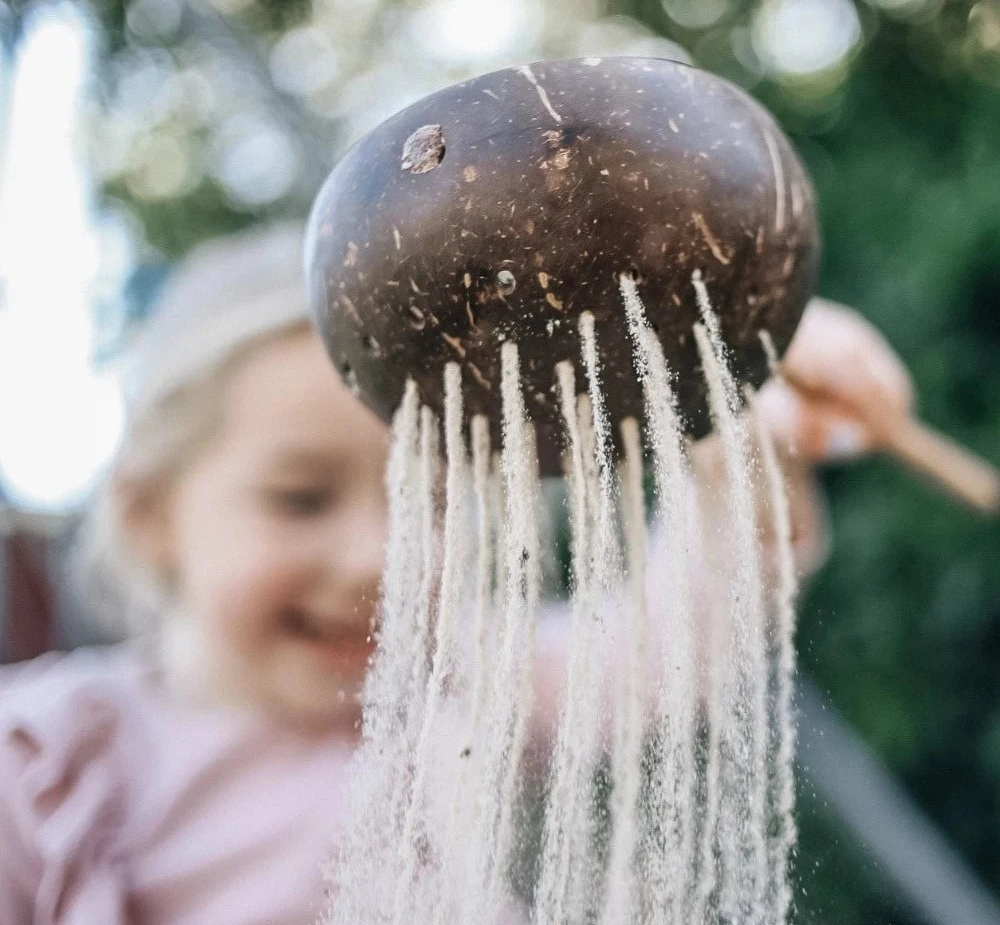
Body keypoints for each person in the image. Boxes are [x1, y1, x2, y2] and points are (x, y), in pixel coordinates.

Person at [0, 219, 913, 924]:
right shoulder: (47, 767)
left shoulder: (460, 686)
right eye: (299, 499)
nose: (375, 559)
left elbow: (674, 642)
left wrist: (738, 418)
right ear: (150, 514)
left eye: (430, 501)